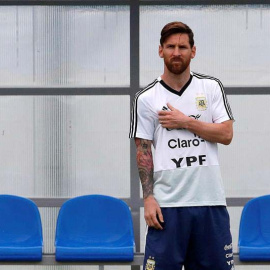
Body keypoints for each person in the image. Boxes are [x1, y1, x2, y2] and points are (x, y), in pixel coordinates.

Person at [129, 21, 235, 270]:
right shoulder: (145, 98)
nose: (176, 52)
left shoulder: (210, 88)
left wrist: (185, 122)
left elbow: (226, 134)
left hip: (209, 202)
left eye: (182, 47)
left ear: (193, 51)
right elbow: (143, 151)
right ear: (160, 50)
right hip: (168, 207)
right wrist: (148, 199)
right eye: (170, 46)